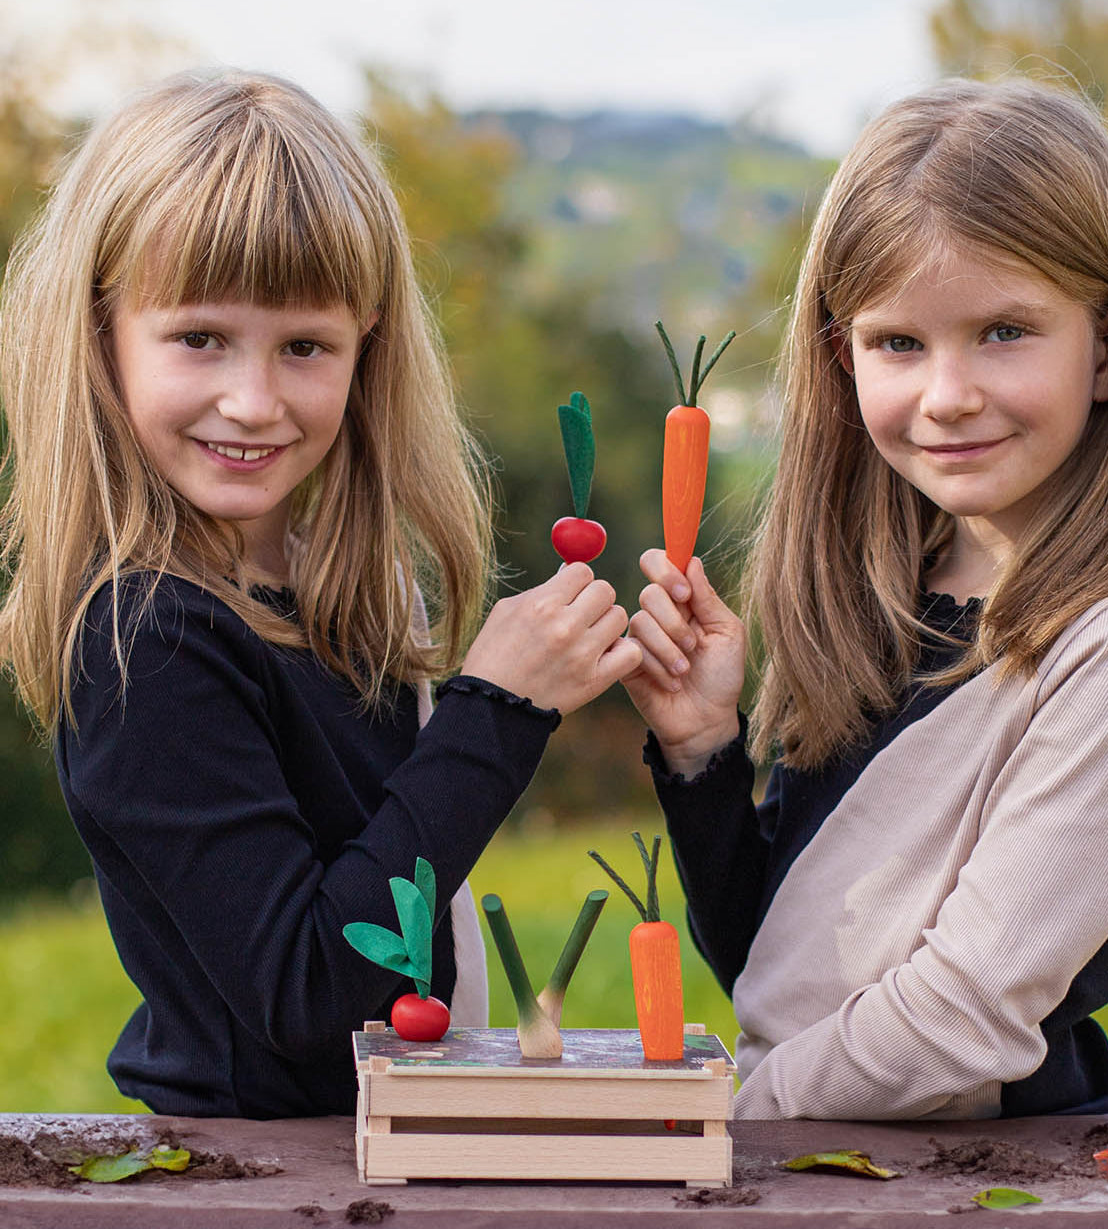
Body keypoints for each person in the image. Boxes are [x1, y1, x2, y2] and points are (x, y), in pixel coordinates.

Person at [0, 69, 640, 1119]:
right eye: (200, 337)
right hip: (256, 1177)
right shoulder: (143, 637)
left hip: (374, 1149)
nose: (252, 402)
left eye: (305, 347)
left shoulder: (340, 586)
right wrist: (498, 713)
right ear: (102, 333)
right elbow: (308, 991)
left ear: (367, 349)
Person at [624, 78, 1108, 1121]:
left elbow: (962, 1017)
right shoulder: (882, 600)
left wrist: (721, 1121)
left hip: (977, 1181)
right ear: (840, 359)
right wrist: (704, 751)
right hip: (832, 1166)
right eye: (900, 343)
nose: (948, 394)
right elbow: (781, 976)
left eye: (1004, 332)